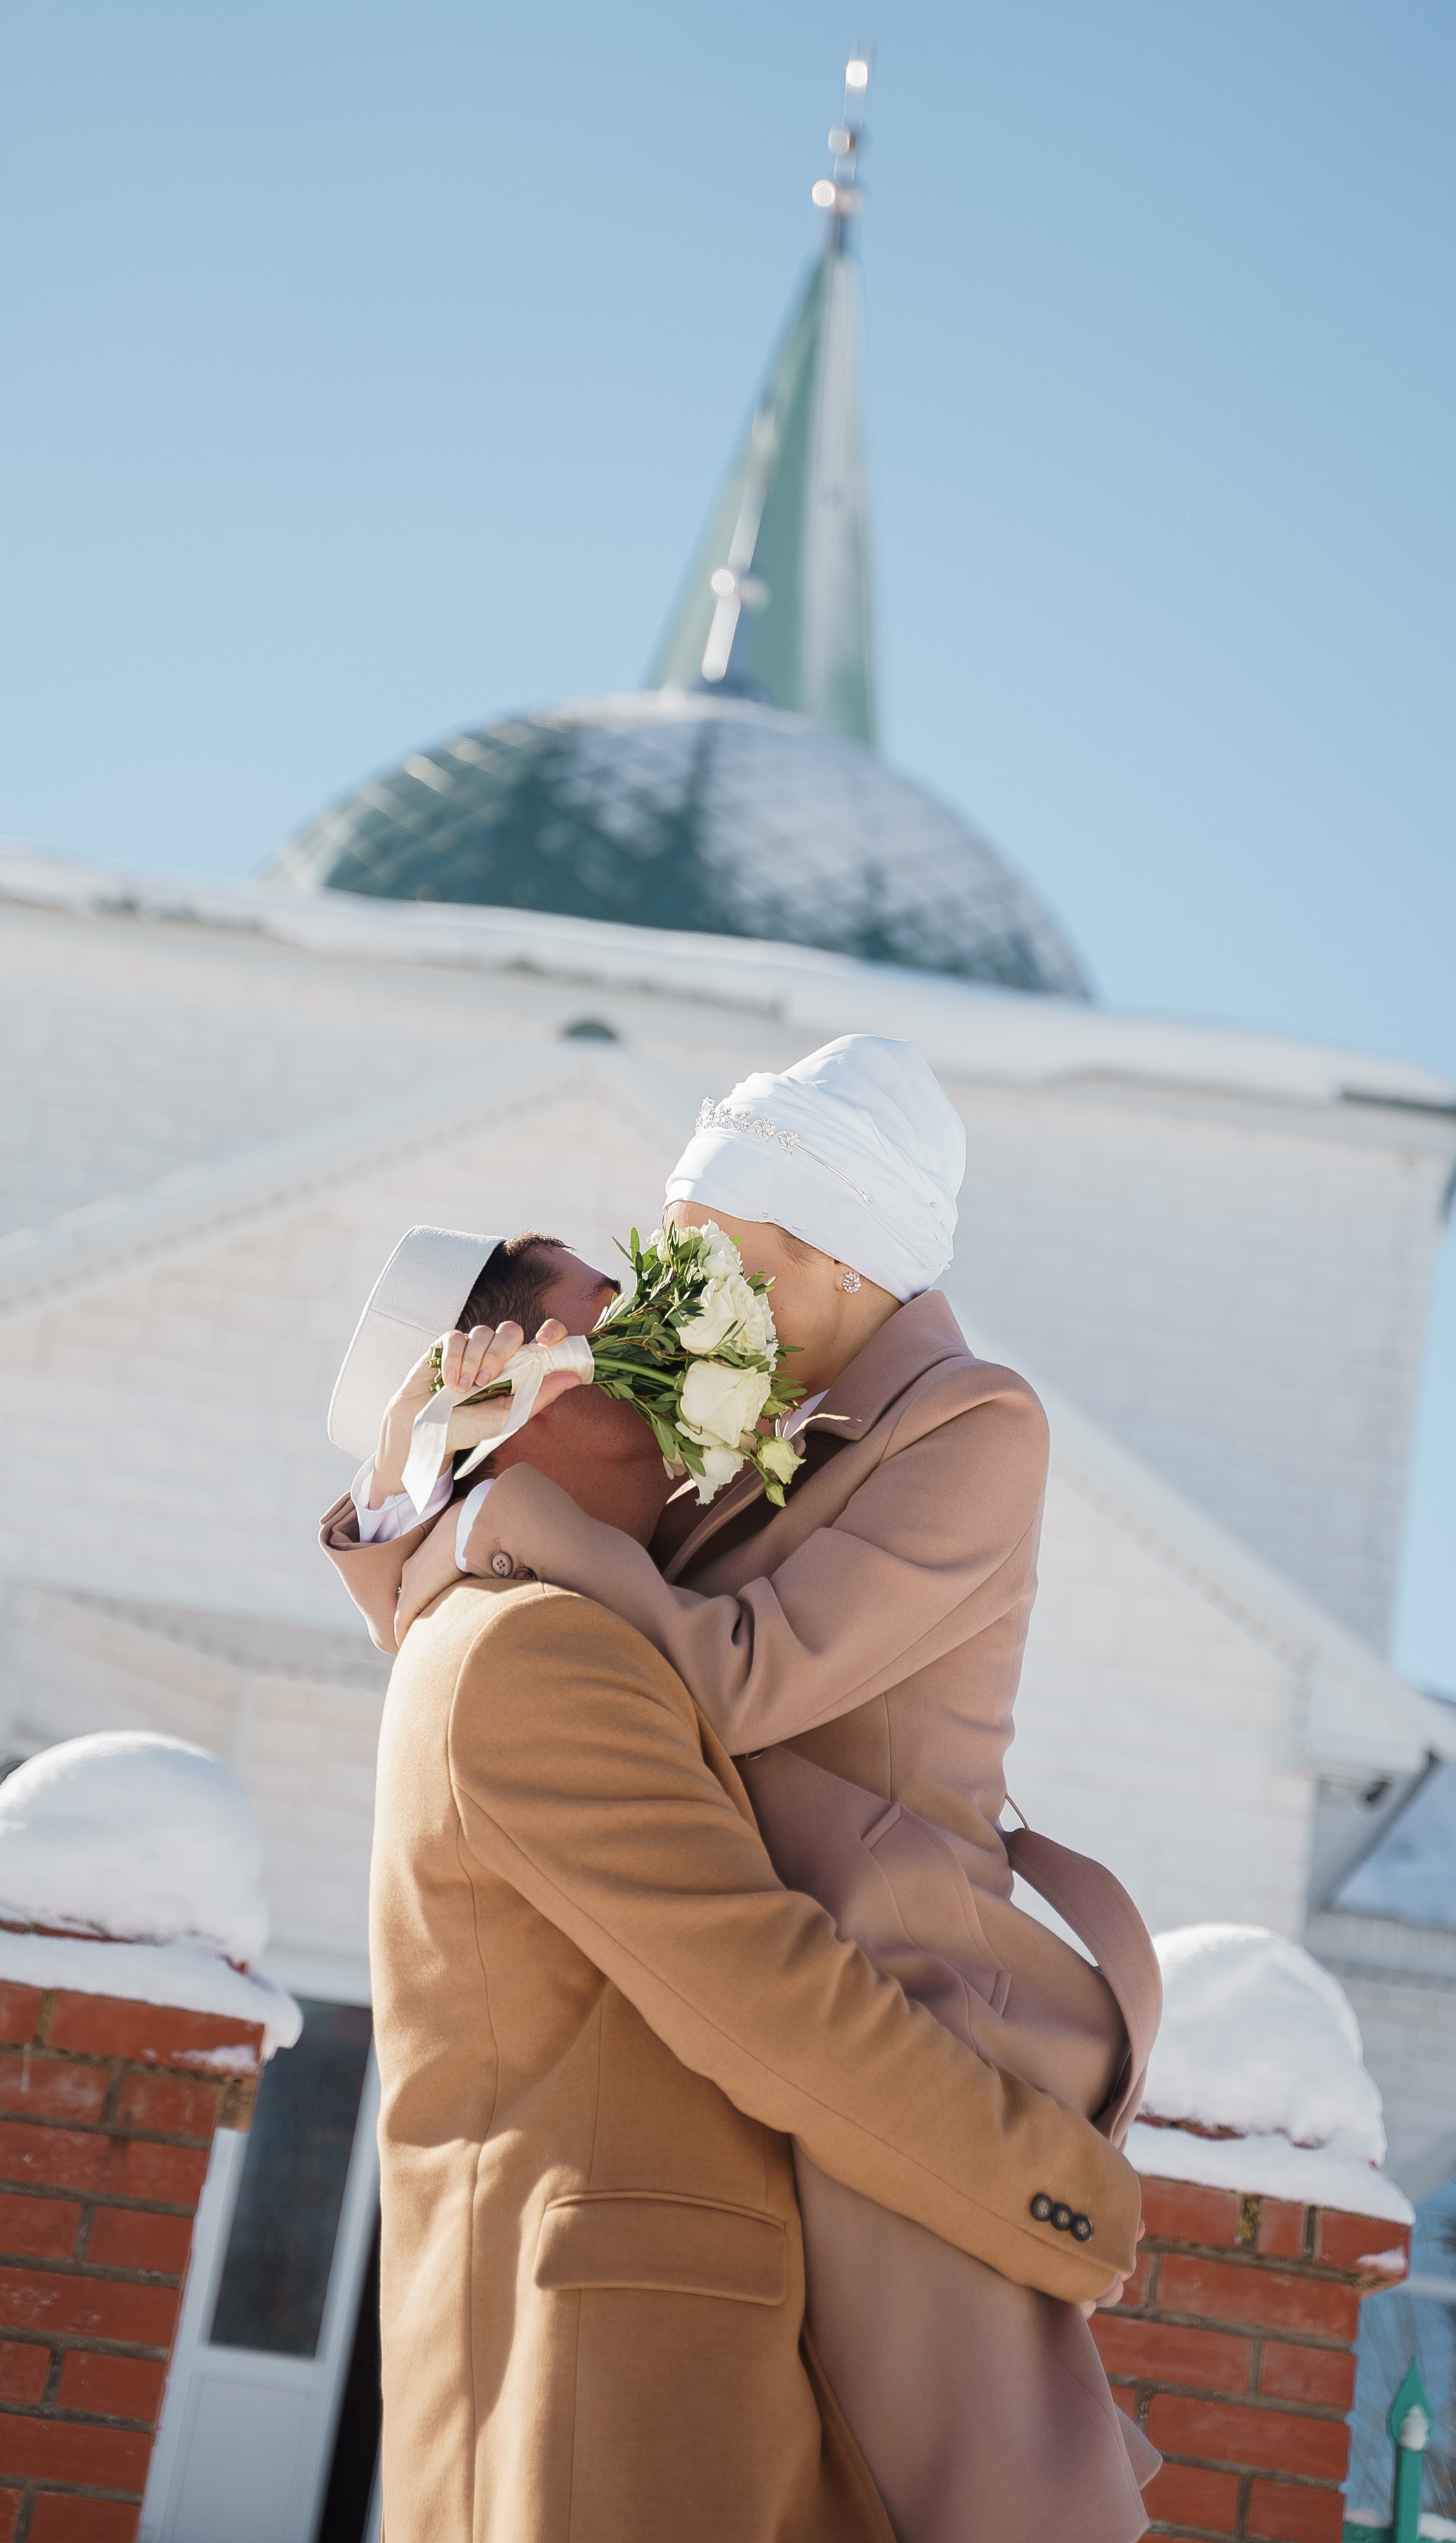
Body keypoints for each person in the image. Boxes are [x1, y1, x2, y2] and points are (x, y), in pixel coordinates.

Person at [329, 1037, 1163, 2543]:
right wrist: (442, 1496)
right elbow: (523, 1599)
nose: (679, 1318)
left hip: (906, 1985)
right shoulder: (650, 1509)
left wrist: (487, 1510)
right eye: (656, 1287)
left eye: (725, 1268)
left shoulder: (964, 1424)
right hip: (791, 2034)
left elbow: (729, 1669)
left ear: (838, 1259)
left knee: (984, 2468)